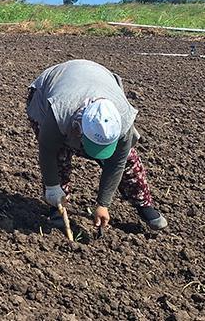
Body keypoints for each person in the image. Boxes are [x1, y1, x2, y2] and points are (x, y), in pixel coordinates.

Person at [26, 59, 167, 231]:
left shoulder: (123, 120)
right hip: (51, 90)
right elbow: (47, 149)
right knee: (59, 155)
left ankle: (144, 205)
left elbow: (117, 163)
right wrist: (52, 187)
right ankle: (57, 208)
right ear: (80, 130)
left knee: (129, 160)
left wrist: (103, 204)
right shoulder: (59, 114)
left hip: (97, 79)